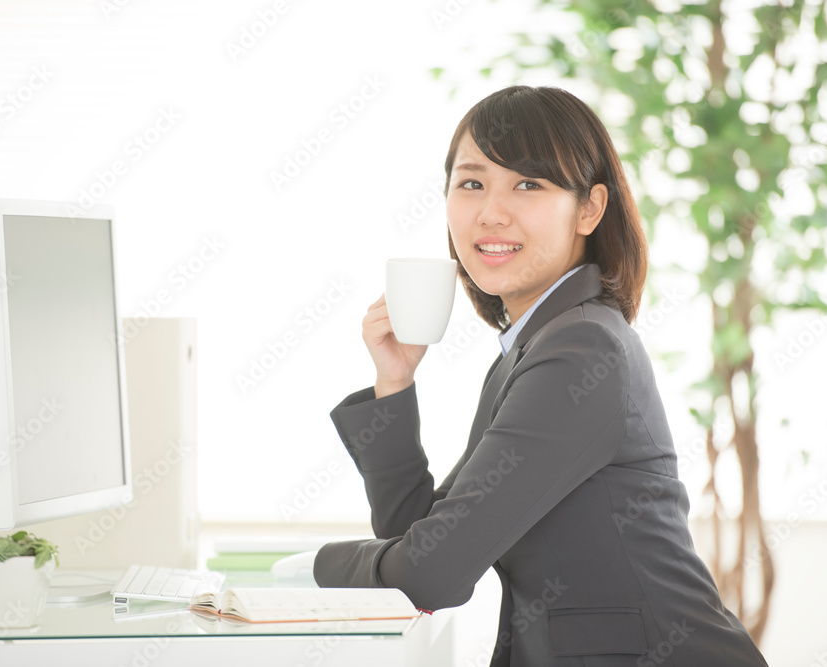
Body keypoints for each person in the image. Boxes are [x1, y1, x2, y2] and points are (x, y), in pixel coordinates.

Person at [313, 85, 768, 667]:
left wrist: (310, 566)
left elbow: (429, 573)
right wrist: (395, 381)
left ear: (590, 209)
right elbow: (420, 538)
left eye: (528, 184)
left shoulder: (580, 350)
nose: (491, 212)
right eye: (471, 183)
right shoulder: (536, 345)